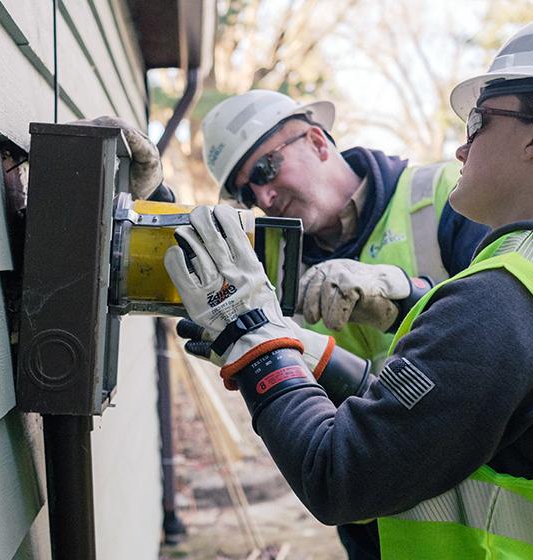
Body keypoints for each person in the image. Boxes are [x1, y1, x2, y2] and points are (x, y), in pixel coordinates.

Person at [164, 6, 533, 559]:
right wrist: (304, 349)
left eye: (477, 123)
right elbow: (450, 408)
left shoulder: (503, 298)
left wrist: (255, 342)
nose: (460, 147)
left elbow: (339, 475)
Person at [196, 91, 488, 557]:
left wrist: (408, 294)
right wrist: (153, 198)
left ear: (315, 140)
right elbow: (192, 261)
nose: (264, 197)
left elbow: (510, 317)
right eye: (246, 193)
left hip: (474, 497)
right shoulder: (270, 269)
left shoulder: (444, 196)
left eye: (265, 172)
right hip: (372, 514)